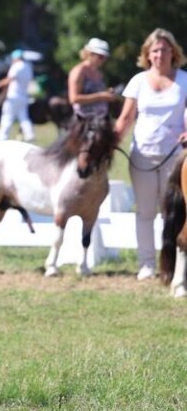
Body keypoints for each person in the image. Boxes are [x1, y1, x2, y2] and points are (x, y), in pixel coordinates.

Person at [113, 28, 187, 281]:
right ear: (147, 54)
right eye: (155, 50)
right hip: (142, 156)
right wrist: (110, 142)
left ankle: (176, 264)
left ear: (173, 52)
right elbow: (125, 119)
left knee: (174, 213)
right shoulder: (137, 81)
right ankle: (146, 264)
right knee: (144, 212)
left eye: (165, 49)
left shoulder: (184, 80)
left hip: (175, 158)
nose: (159, 54)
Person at [69, 37, 118, 122]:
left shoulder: (99, 73)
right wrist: (101, 96)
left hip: (101, 120)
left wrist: (107, 93)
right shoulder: (79, 72)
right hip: (83, 122)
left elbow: (96, 92)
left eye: (105, 57)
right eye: (101, 56)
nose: (103, 60)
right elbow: (74, 98)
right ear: (90, 54)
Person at [0, 49, 35, 142]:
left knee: (7, 117)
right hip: (24, 96)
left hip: (13, 96)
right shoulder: (28, 67)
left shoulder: (16, 66)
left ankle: (2, 137)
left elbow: (9, 79)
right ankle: (29, 135)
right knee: (24, 118)